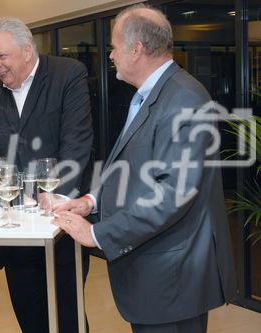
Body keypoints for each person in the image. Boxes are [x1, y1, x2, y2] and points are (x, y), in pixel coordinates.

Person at [53, 4, 236, 333]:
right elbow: (137, 171)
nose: (110, 56)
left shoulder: (183, 99)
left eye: (113, 47)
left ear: (136, 49)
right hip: (160, 274)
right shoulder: (153, 94)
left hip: (172, 277)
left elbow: (172, 194)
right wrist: (92, 202)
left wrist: (96, 233)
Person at [0, 17, 93, 333]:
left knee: (68, 318)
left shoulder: (67, 75)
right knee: (30, 318)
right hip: (13, 231)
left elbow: (76, 142)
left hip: (62, 227)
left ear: (26, 50)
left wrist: (57, 196)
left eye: (2, 56)